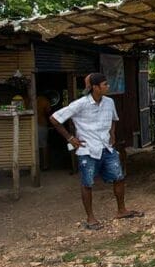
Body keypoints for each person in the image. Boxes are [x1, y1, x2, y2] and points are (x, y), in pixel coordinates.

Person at [49, 73, 143, 230]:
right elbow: (54, 118)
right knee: (87, 183)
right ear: (95, 87)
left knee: (119, 177)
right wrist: (70, 138)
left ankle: (121, 210)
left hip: (106, 147)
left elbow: (113, 119)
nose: (108, 87)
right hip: (87, 149)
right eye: (105, 84)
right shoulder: (80, 104)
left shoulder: (109, 102)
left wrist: (112, 134)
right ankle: (90, 218)